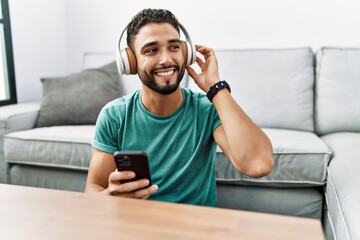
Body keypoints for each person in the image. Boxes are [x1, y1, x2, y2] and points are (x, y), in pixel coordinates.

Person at [85, 8, 274, 206]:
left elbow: (259, 165)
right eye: (151, 50)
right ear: (130, 62)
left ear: (186, 52)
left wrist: (216, 88)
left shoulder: (207, 109)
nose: (166, 59)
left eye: (174, 47)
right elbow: (92, 190)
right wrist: (110, 197)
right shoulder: (114, 115)